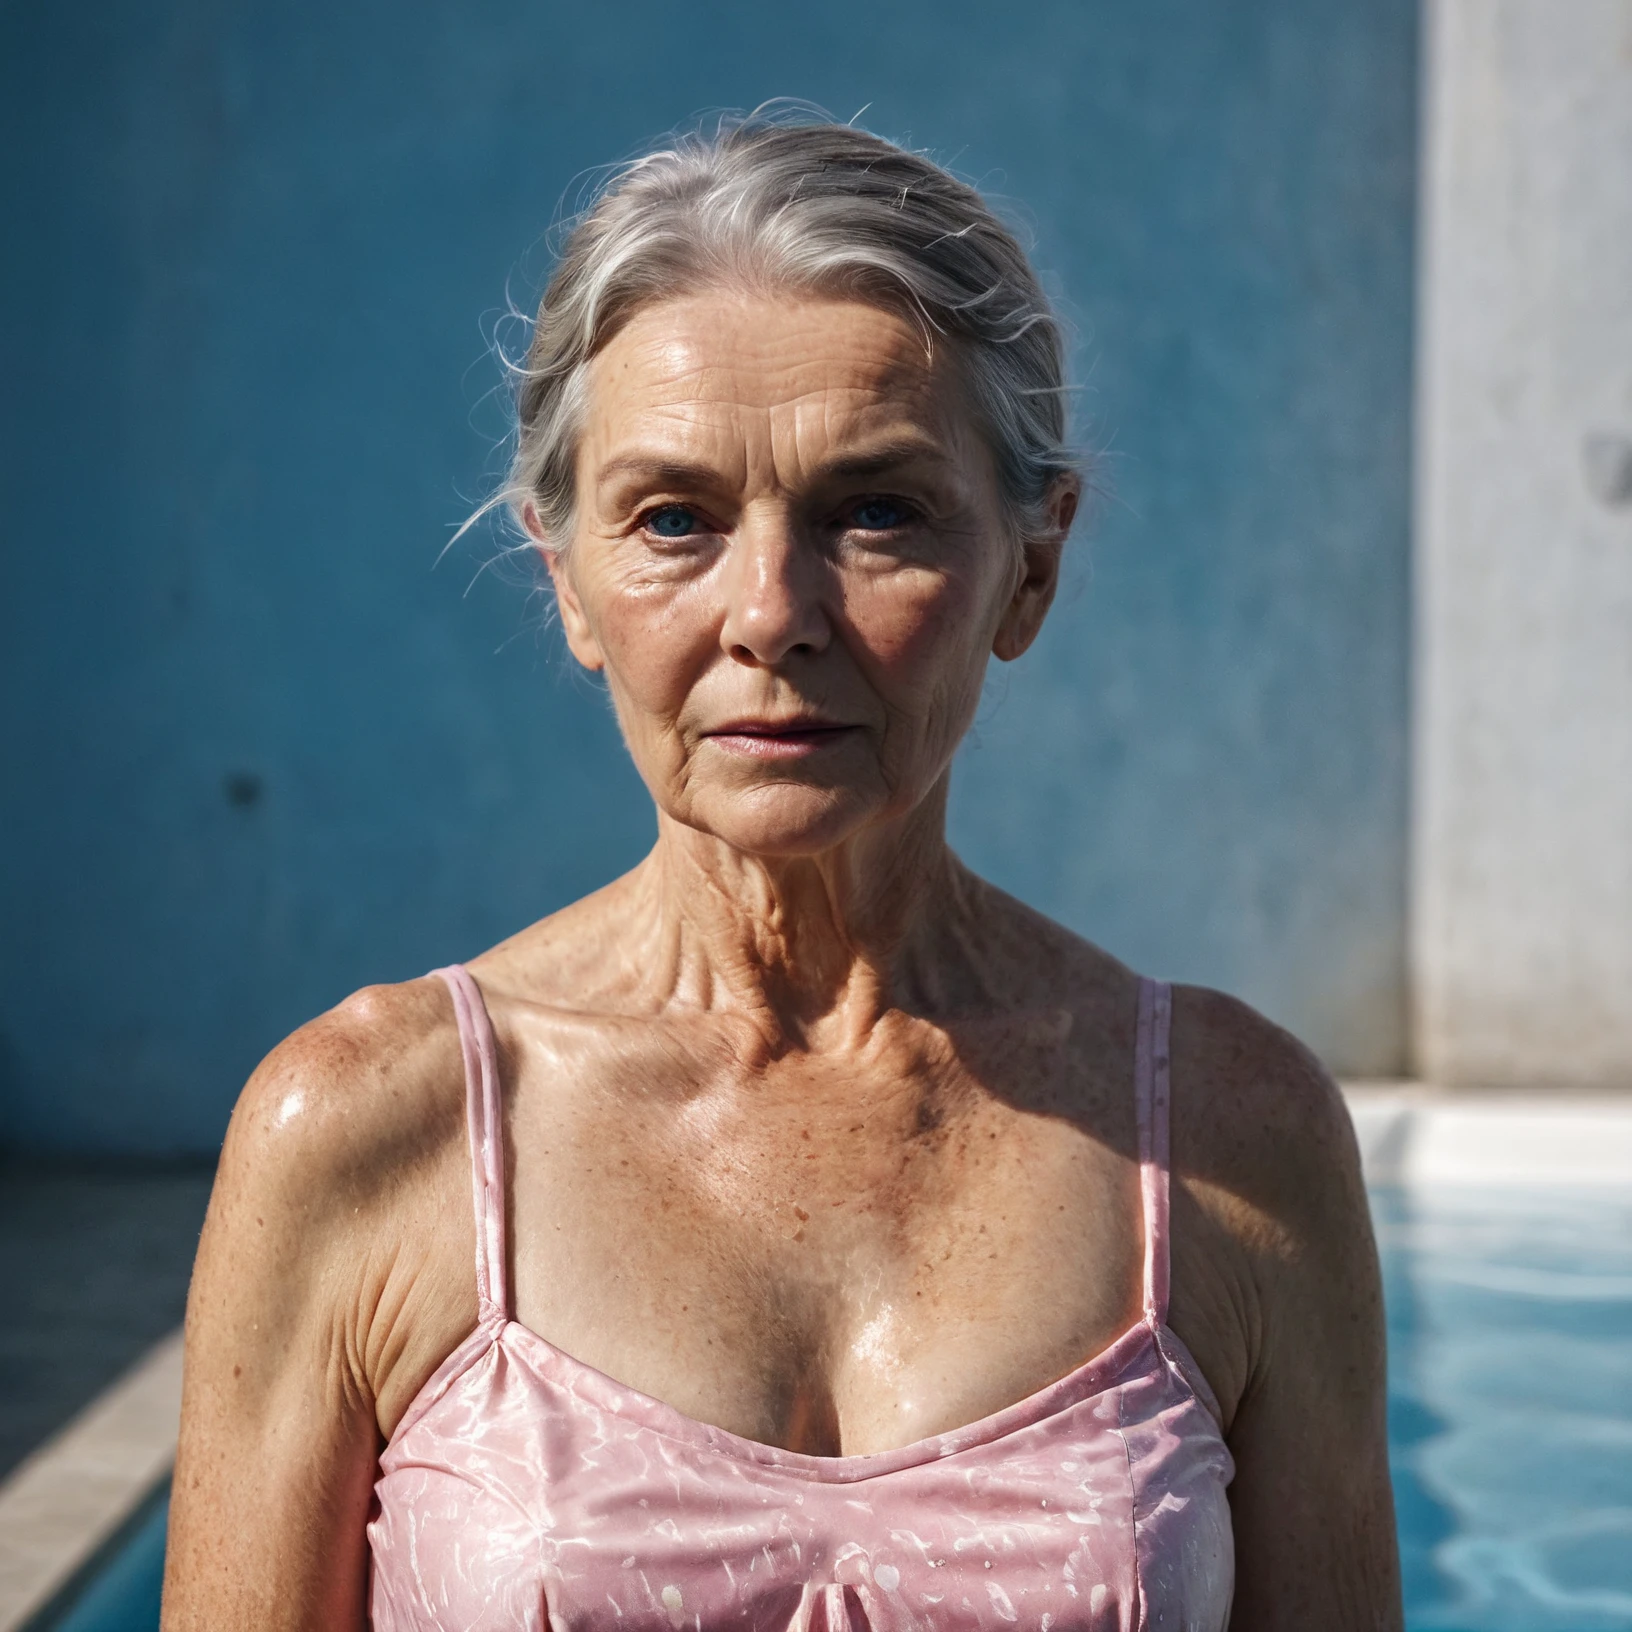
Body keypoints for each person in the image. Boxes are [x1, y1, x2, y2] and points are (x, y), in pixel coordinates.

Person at [163, 114, 1401, 1631]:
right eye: (673, 519)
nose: (771, 613)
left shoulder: (1228, 1141)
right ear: (567, 583)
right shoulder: (366, 1134)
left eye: (875, 510)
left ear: (1034, 566)